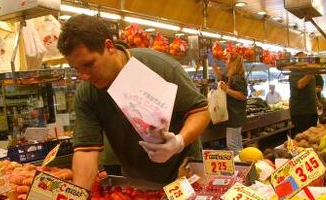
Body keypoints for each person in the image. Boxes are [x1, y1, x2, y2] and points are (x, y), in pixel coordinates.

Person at [57, 15, 210, 188]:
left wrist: (179, 142)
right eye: (76, 69)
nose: (84, 76)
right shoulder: (88, 93)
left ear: (109, 47)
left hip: (185, 174)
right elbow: (86, 151)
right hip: (138, 182)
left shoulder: (157, 66)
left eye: (89, 64)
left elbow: (201, 110)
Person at [212, 52, 248, 155]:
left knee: (232, 146)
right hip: (234, 116)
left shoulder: (237, 78)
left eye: (227, 60)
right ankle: (245, 161)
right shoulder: (230, 76)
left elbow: (242, 96)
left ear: (233, 63)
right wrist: (210, 60)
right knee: (237, 144)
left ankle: (240, 167)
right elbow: (219, 75)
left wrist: (227, 90)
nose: (225, 62)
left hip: (235, 116)